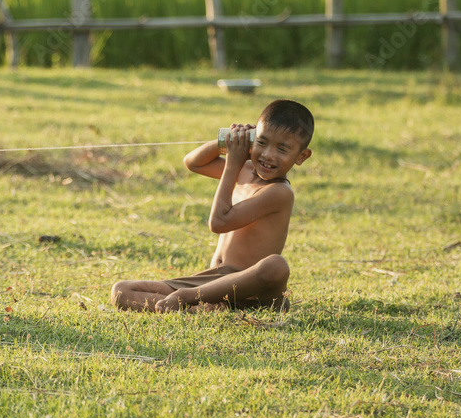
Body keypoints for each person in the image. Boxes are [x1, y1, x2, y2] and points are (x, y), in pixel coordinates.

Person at [111, 99, 313, 313]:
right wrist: (225, 142)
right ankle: (203, 308)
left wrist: (233, 164)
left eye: (282, 149)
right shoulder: (244, 170)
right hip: (215, 282)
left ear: (301, 156)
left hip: (252, 289)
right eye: (262, 142)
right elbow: (193, 162)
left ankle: (188, 299)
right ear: (252, 139)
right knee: (121, 291)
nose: (268, 154)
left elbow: (219, 222)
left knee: (276, 265)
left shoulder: (279, 192)